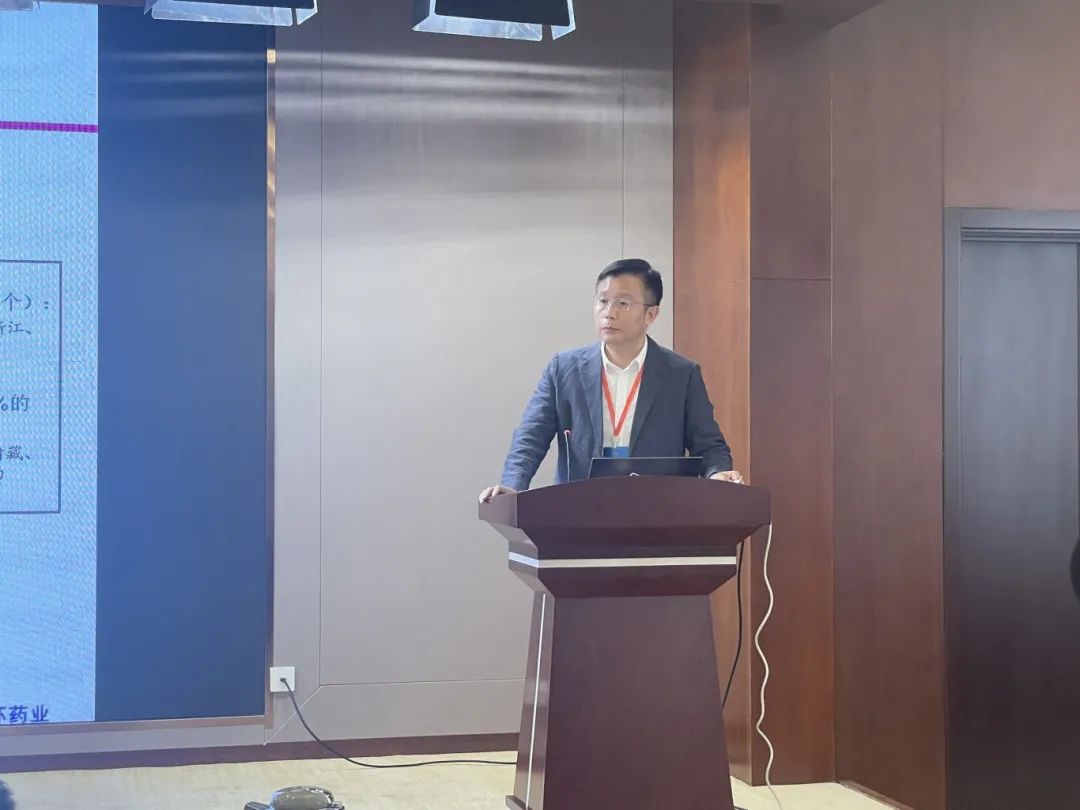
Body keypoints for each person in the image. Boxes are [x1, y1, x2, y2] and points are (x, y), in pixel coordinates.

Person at [479, 258, 742, 503]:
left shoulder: (681, 374)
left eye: (623, 303)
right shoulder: (564, 369)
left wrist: (717, 473)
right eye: (603, 301)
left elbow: (709, 444)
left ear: (651, 315)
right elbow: (530, 436)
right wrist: (513, 485)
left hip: (657, 509)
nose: (609, 313)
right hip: (579, 511)